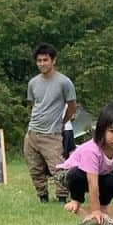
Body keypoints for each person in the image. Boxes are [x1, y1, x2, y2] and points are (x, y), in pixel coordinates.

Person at [58, 101, 113, 224]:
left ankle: (104, 205)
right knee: (75, 176)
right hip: (76, 174)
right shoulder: (92, 150)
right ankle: (76, 199)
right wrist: (95, 210)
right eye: (112, 131)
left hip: (100, 173)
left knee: (112, 181)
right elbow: (92, 182)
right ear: (102, 130)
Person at [23, 43, 76, 204]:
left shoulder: (64, 82)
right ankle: (42, 197)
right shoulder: (33, 83)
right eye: (39, 60)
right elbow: (34, 105)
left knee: (58, 167)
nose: (42, 64)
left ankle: (62, 197)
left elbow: (72, 105)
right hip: (32, 132)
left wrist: (62, 121)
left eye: (45, 60)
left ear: (53, 61)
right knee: (35, 167)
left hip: (51, 133)